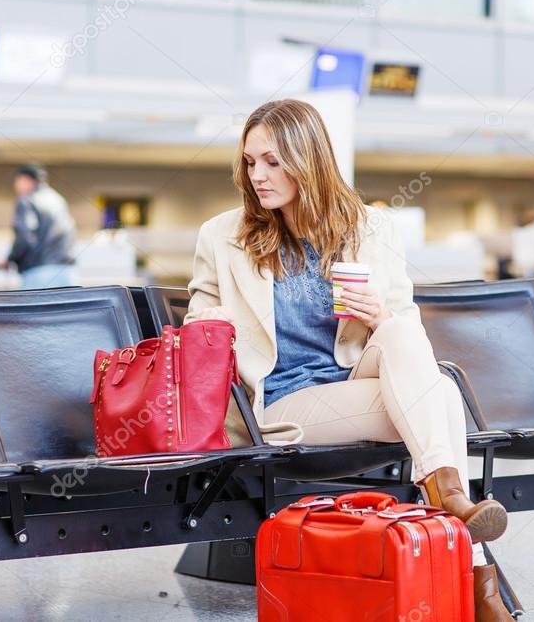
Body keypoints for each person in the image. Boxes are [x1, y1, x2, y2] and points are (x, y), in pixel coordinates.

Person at [183, 99, 511, 620]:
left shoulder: (370, 228)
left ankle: (452, 510)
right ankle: (473, 562)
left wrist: (378, 314)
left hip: (355, 379)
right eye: (250, 162)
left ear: (306, 158)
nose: (257, 176)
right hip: (282, 402)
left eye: (271, 161)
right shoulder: (223, 235)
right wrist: (215, 320)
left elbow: (404, 325)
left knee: (404, 335)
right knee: (441, 396)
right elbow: (195, 324)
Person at [0, 164, 78, 289]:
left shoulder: (27, 200)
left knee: (34, 309)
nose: (15, 186)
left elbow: (24, 238)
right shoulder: (58, 199)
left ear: (25, 179)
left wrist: (10, 259)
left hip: (39, 273)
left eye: (17, 181)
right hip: (67, 273)